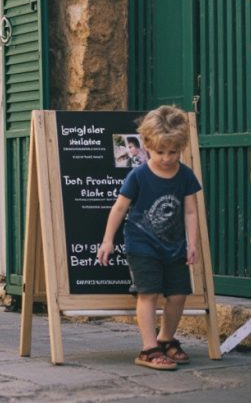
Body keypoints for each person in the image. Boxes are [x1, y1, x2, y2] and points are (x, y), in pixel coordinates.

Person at [96, 105, 201, 371]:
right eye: (160, 152)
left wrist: (192, 243)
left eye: (173, 152)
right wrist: (108, 240)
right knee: (148, 294)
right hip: (142, 246)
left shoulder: (186, 175)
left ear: (181, 148)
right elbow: (119, 208)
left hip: (174, 246)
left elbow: (190, 211)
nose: (167, 158)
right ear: (147, 147)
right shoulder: (139, 175)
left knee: (178, 295)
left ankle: (165, 339)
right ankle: (148, 348)